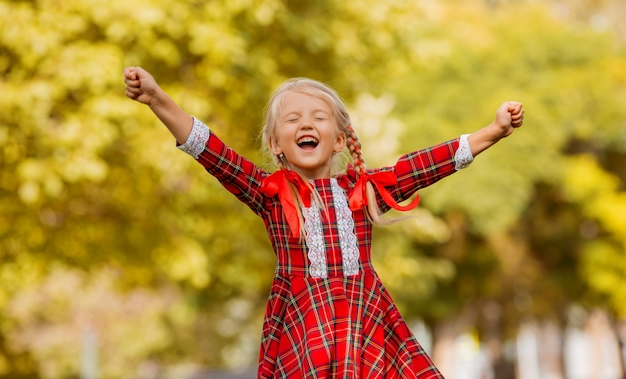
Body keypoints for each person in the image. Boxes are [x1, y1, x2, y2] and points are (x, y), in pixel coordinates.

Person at [123, 66, 524, 378]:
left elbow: (423, 166)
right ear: (277, 145)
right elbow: (212, 152)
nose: (306, 124)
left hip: (364, 328)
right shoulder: (271, 195)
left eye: (318, 117)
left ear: (339, 140)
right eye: (292, 119)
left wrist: (494, 131)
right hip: (306, 330)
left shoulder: (363, 190)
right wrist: (157, 98)